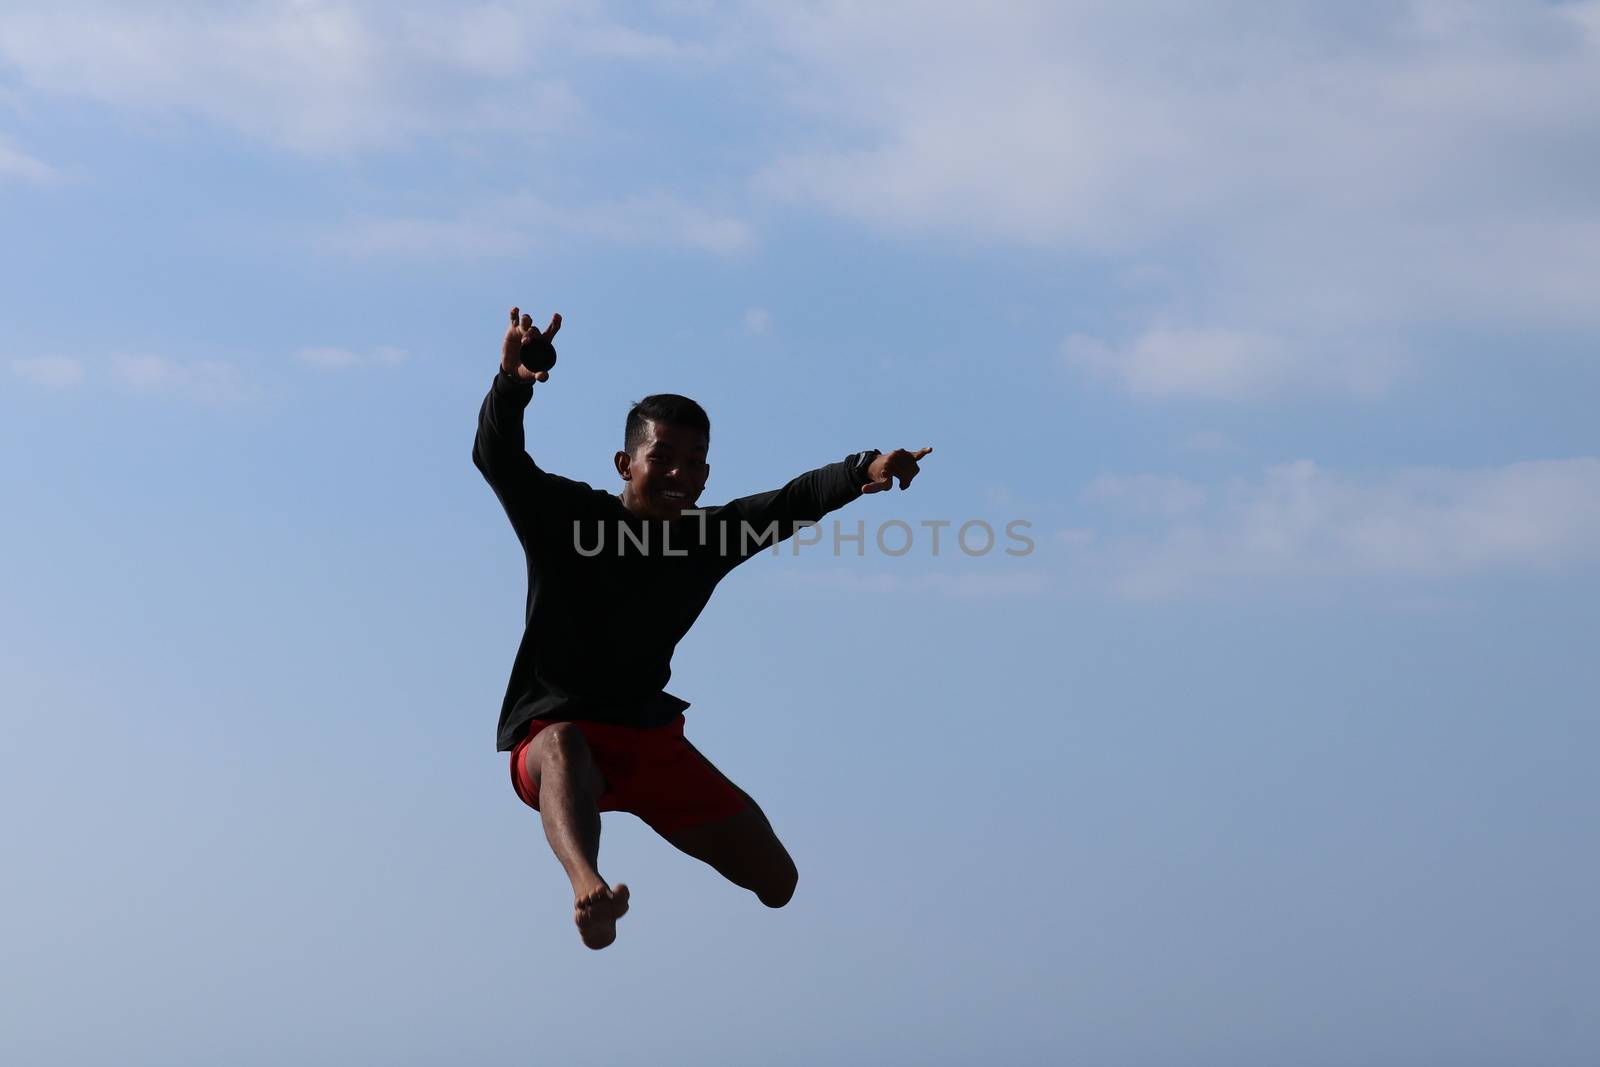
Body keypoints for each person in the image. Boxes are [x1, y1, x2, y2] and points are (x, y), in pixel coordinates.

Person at [474, 306, 932, 949]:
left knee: (778, 883)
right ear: (623, 464)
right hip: (554, 749)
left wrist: (865, 471)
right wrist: (513, 383)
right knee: (564, 741)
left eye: (695, 463)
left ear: (707, 476)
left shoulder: (709, 538)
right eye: (661, 458)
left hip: (648, 740)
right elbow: (497, 456)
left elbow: (792, 502)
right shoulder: (565, 518)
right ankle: (588, 887)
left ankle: (630, 834)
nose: (679, 475)